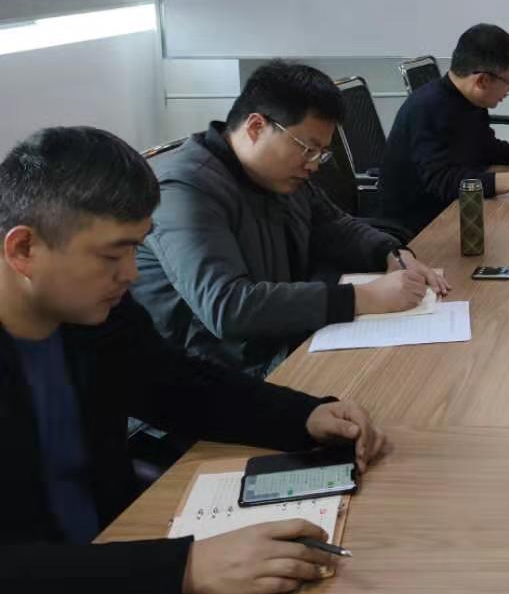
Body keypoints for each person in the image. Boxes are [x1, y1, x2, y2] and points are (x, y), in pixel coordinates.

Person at [0, 127, 391, 594]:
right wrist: (187, 567)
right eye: (112, 255)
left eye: (135, 248)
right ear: (24, 249)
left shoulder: (89, 313)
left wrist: (307, 414)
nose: (131, 274)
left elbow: (177, 384)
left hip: (113, 561)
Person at [133, 61, 449, 377]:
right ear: (256, 127)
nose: (314, 164)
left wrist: (391, 253)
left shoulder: (277, 175)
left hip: (282, 345)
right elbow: (228, 306)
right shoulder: (184, 190)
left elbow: (336, 226)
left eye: (321, 153)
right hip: (213, 375)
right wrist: (363, 297)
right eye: (307, 149)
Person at [381, 23, 509, 236]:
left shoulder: (469, 100)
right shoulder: (427, 108)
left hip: (457, 210)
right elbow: (443, 182)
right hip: (419, 228)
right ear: (482, 80)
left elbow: (484, 146)